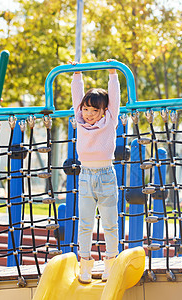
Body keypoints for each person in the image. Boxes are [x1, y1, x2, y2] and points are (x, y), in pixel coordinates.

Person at [69, 59, 120, 284]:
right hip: (86, 176)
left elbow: (115, 98)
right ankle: (85, 266)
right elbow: (76, 96)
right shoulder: (79, 121)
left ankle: (110, 263)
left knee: (109, 223)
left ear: (104, 111)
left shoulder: (109, 121)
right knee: (85, 223)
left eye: (94, 110)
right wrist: (77, 75)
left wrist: (112, 74)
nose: (89, 113)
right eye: (86, 108)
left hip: (106, 176)